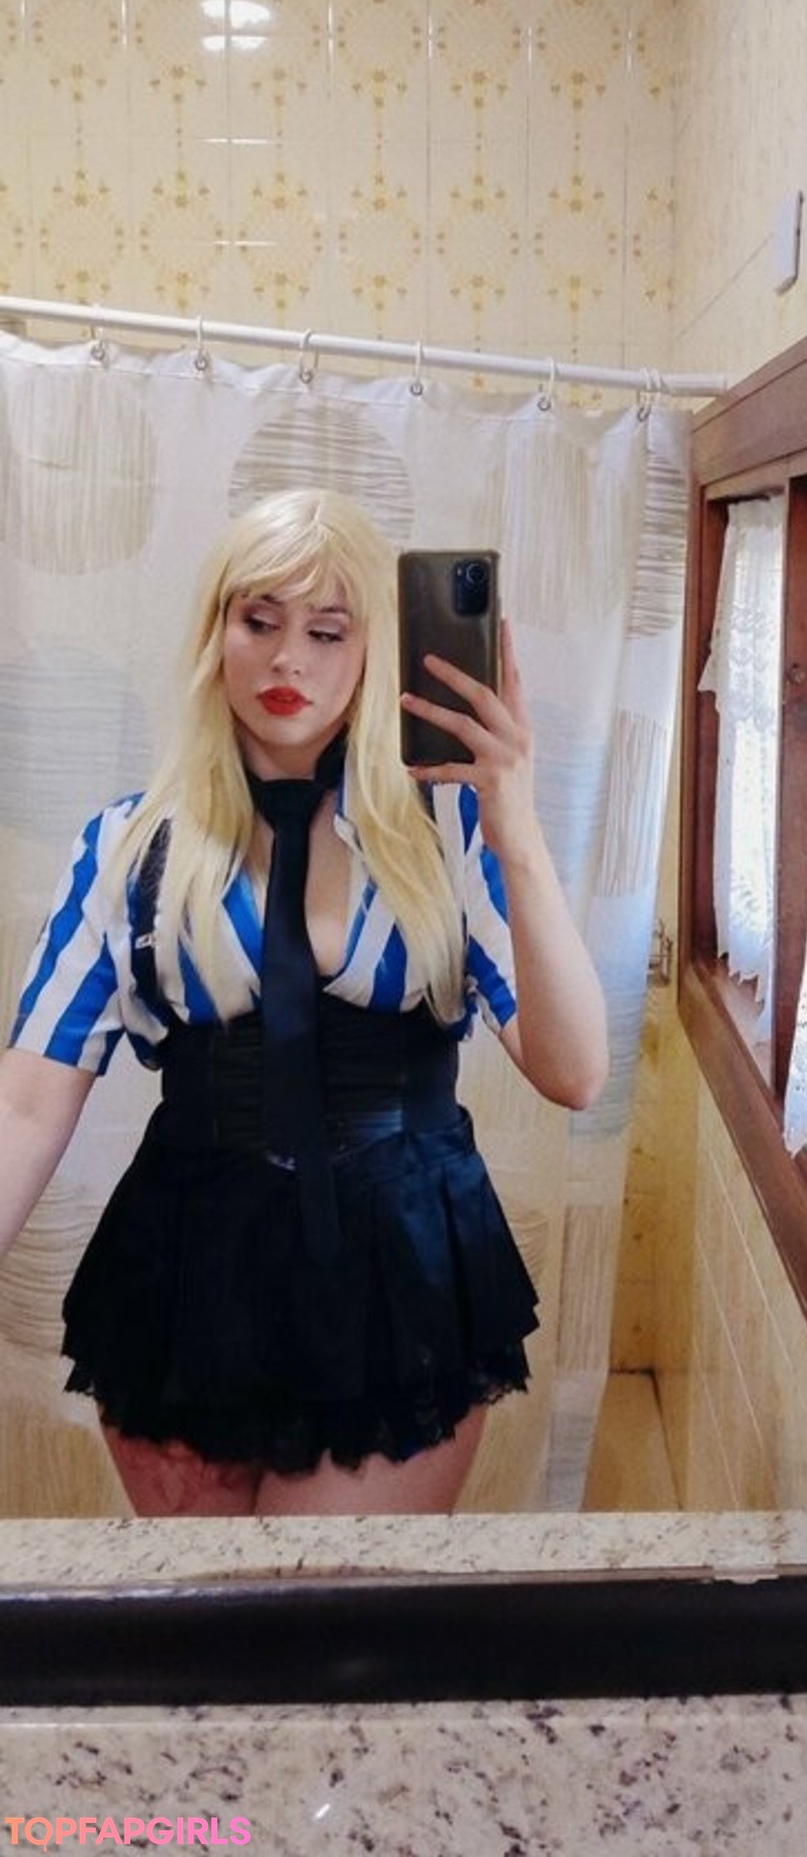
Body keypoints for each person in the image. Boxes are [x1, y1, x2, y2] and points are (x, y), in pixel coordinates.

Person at [0, 489, 608, 1516]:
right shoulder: (127, 847)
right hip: (187, 1276)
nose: (290, 659)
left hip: (396, 1276)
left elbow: (576, 1072)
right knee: (205, 1603)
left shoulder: (450, 832)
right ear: (216, 633)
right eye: (259, 620)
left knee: (329, 1605)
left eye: (328, 630)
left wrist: (518, 829)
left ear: (373, 649)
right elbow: (24, 1106)